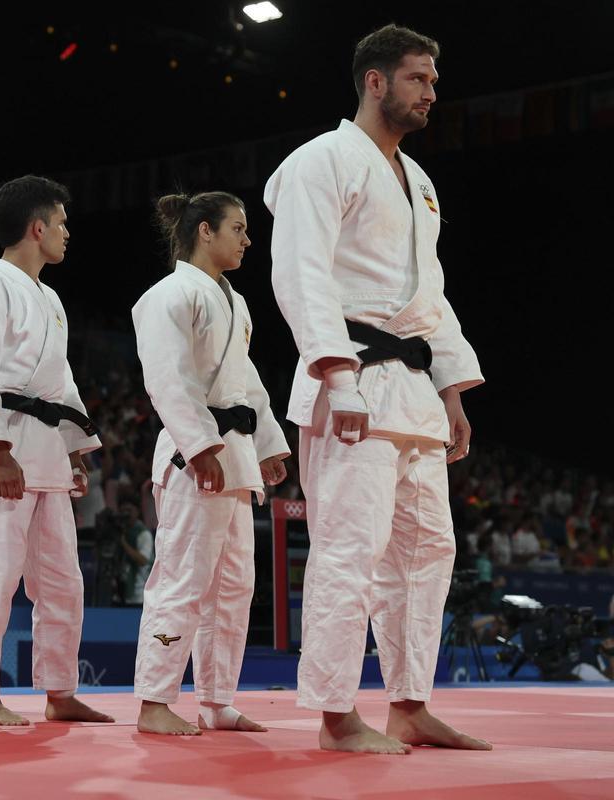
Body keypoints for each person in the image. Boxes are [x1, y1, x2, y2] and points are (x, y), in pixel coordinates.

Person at [264, 24, 490, 754]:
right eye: (419, 79)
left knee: (428, 553)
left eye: (432, 79)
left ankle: (410, 703)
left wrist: (453, 386)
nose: (431, 91)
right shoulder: (322, 161)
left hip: (414, 391)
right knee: (348, 550)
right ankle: (335, 717)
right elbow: (301, 273)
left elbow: (433, 295)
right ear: (374, 80)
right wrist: (337, 373)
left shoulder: (417, 182)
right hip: (352, 378)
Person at [0, 175, 113, 726]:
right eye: (62, 224)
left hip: (42, 455)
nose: (67, 233)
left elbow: (60, 385)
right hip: (3, 456)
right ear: (37, 228)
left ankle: (61, 691)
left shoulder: (51, 298)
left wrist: (75, 448)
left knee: (63, 581)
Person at [130, 192, 289, 735]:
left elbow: (247, 382)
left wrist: (268, 442)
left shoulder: (235, 302)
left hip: (234, 457)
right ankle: (155, 701)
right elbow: (166, 379)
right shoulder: (169, 295)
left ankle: (217, 700)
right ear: (204, 231)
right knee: (182, 578)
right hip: (192, 455)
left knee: (234, 585)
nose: (247, 240)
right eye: (238, 229)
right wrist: (200, 446)